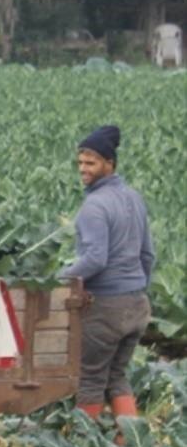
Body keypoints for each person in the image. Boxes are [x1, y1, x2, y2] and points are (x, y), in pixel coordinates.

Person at [62, 124, 154, 428]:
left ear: (109, 164)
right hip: (137, 304)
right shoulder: (134, 198)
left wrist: (60, 279)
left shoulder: (94, 206)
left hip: (106, 308)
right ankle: (131, 444)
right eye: (80, 163)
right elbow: (147, 256)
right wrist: (137, 290)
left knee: (89, 377)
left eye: (91, 163)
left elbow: (95, 259)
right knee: (116, 376)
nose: (83, 169)